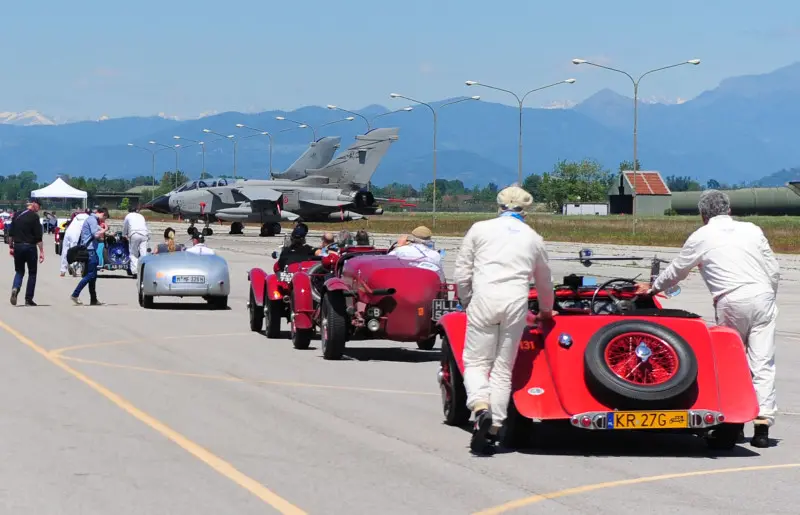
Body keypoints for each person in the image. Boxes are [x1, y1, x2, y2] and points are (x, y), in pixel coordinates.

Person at [637, 189, 780, 448]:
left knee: (731, 361)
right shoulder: (752, 229)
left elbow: (677, 271)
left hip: (731, 299)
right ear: (729, 210)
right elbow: (772, 268)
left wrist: (654, 288)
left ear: (703, 214)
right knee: (763, 362)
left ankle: (734, 423)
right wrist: (769, 295)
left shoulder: (701, 236)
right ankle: (762, 426)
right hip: (763, 295)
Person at [454, 185, 554, 455]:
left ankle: (479, 405)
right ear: (526, 209)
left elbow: (462, 270)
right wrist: (546, 309)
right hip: (515, 301)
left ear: (498, 206)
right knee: (502, 368)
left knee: (475, 361)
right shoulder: (533, 237)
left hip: (485, 297)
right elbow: (545, 281)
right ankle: (495, 425)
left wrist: (466, 299)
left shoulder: (480, 229)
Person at [70, 207, 110, 306]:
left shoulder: (92, 219)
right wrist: (105, 230)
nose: (103, 220)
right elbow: (95, 234)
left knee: (93, 276)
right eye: (104, 218)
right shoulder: (92, 220)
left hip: (90, 249)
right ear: (102, 214)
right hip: (90, 250)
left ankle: (93, 299)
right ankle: (75, 294)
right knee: (91, 274)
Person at [9, 199, 45, 306]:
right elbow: (38, 237)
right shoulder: (34, 217)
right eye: (38, 206)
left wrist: (11, 246)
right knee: (32, 273)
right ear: (33, 204)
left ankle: (15, 288)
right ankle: (28, 299)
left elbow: (11, 233)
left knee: (19, 271)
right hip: (30, 247)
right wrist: (42, 251)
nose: (38, 209)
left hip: (18, 246)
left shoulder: (17, 215)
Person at [122, 204, 150, 276]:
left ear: (129, 210)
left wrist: (123, 235)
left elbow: (125, 227)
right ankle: (144, 270)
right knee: (143, 253)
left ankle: (135, 272)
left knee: (133, 253)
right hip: (144, 234)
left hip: (135, 234)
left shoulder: (128, 216)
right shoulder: (141, 216)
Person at [60, 210, 90, 277]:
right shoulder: (88, 217)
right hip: (76, 233)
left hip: (68, 232)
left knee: (65, 251)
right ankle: (73, 266)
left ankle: (62, 271)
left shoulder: (77, 216)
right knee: (75, 251)